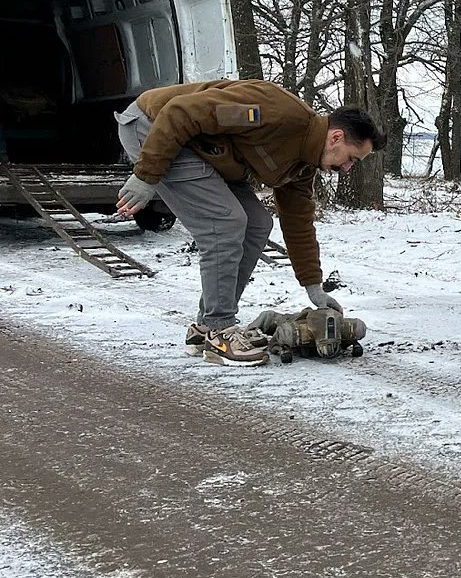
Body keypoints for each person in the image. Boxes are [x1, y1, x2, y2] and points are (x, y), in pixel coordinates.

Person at [114, 80, 385, 366]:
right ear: (336, 138)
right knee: (225, 221)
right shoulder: (276, 112)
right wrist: (147, 175)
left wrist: (313, 286)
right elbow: (181, 113)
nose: (347, 168)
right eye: (351, 159)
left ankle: (206, 328)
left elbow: (299, 222)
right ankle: (219, 329)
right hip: (153, 127)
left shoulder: (303, 164)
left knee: (257, 223)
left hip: (200, 149)